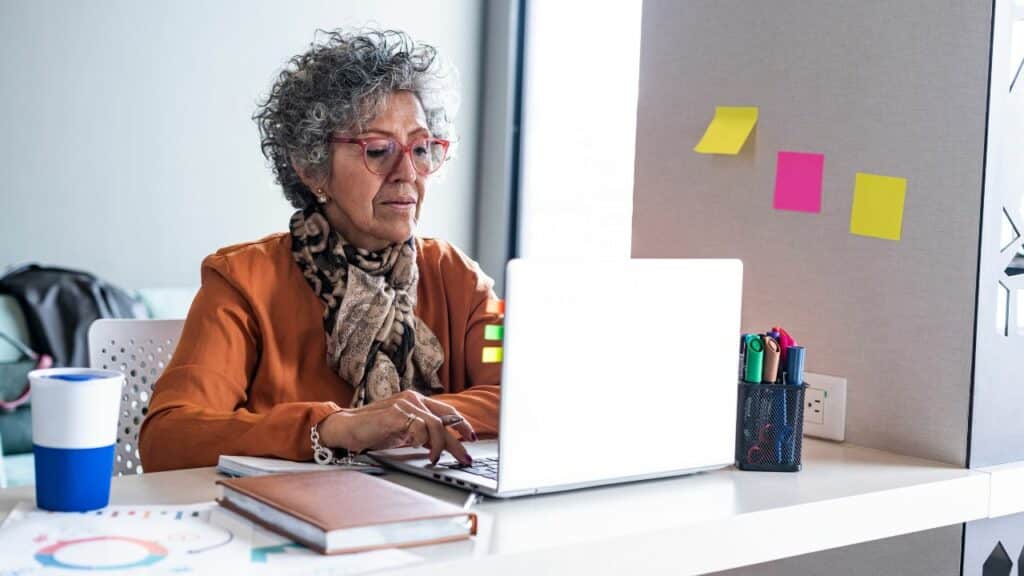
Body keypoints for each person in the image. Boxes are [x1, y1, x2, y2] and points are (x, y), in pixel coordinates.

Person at [138, 29, 501, 472]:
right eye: (378, 149)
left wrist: (407, 421)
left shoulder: (457, 278)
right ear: (311, 167)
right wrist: (334, 427)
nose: (408, 172)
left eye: (421, 148)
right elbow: (169, 437)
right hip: (288, 525)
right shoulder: (242, 280)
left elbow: (518, 395)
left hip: (440, 519)